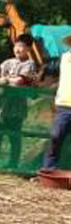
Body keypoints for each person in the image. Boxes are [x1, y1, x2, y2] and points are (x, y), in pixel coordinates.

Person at [41, 37, 71, 171]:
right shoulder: (64, 58)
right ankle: (48, 168)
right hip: (64, 105)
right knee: (56, 137)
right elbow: (49, 72)